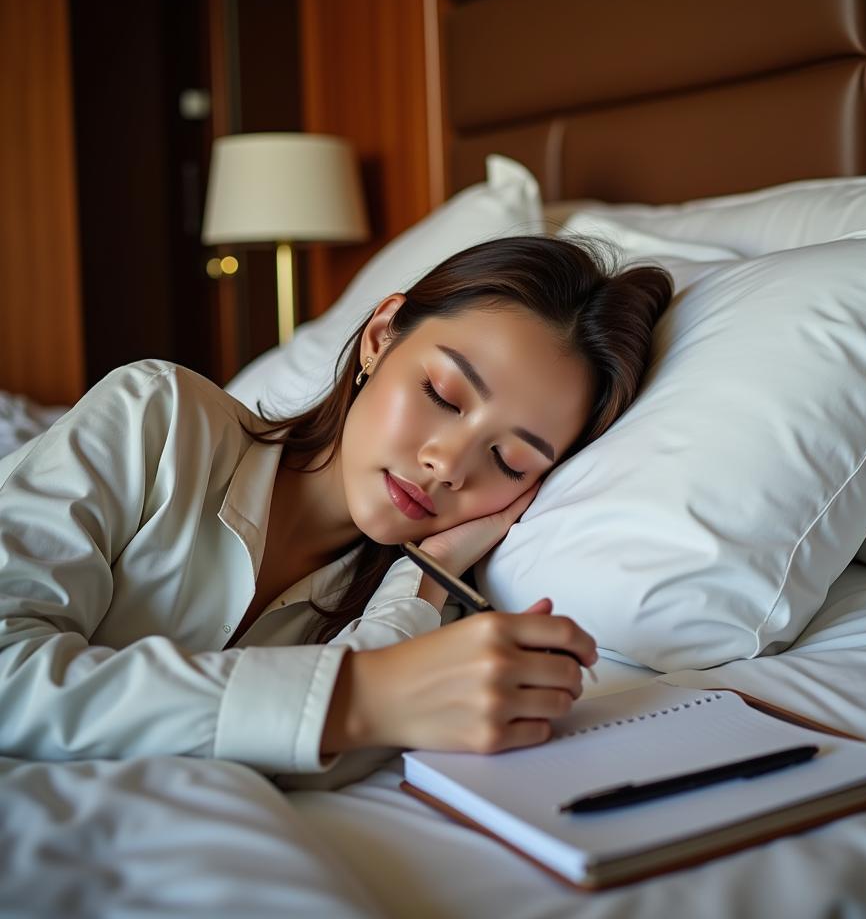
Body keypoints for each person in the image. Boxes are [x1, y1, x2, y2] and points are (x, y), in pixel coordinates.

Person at [0, 236, 672, 784]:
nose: (449, 465)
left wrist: (426, 574)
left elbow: (326, 768)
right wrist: (360, 695)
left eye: (511, 461)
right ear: (381, 336)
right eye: (442, 393)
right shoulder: (159, 417)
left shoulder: (435, 612)